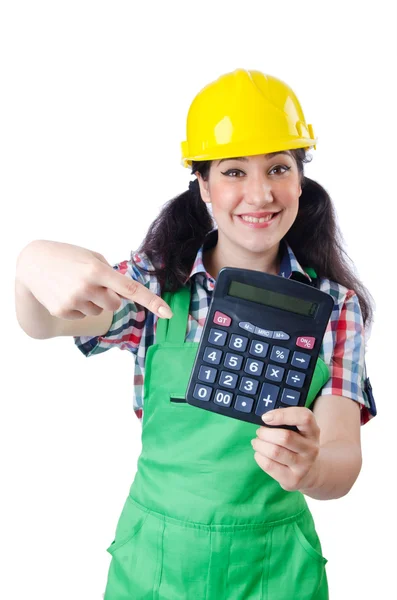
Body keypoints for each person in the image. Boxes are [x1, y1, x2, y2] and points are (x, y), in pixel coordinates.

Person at [15, 68, 376, 599]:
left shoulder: (335, 307)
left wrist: (312, 467)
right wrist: (30, 265)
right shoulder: (152, 285)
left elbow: (343, 458)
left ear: (300, 180)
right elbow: (46, 321)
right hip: (156, 568)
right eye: (233, 172)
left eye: (278, 167)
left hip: (275, 571)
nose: (260, 194)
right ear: (203, 184)